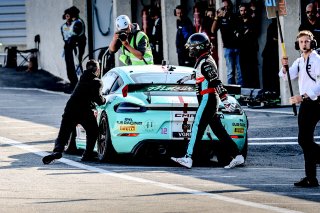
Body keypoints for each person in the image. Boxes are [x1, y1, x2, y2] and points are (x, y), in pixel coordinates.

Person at [171, 33, 245, 169]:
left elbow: (215, 80)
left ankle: (188, 157)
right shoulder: (204, 60)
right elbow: (200, 74)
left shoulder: (205, 62)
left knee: (197, 126)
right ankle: (238, 156)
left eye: (192, 47)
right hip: (210, 99)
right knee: (219, 130)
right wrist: (187, 78)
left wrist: (225, 98)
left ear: (198, 47)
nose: (190, 49)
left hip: (208, 99)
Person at [42, 59, 106, 164]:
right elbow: (99, 100)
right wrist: (104, 100)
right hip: (84, 110)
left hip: (70, 108)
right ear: (97, 70)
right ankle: (88, 154)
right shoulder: (97, 81)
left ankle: (57, 151)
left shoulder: (82, 78)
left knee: (63, 134)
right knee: (93, 131)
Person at [279, 30, 320, 187]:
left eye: (307, 41)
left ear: (312, 42)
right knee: (305, 140)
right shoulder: (299, 61)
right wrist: (284, 67)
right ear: (298, 44)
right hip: (306, 103)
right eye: (301, 41)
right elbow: (287, 76)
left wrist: (301, 97)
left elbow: (319, 85)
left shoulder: (317, 60)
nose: (304, 44)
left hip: (315, 102)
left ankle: (311, 175)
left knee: (304, 140)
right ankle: (311, 178)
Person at [211, 0, 243, 86]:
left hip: (237, 46)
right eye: (224, 7)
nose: (225, 9)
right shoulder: (220, 18)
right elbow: (213, 30)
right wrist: (216, 17)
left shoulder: (235, 16)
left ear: (230, 7)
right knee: (230, 71)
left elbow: (235, 28)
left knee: (240, 71)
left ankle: (240, 92)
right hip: (227, 47)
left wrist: (227, 17)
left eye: (227, 7)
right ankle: (231, 92)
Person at [238, 3, 259, 88]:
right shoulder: (238, 21)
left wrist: (243, 34)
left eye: (245, 10)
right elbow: (238, 34)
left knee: (252, 70)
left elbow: (254, 32)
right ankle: (246, 89)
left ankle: (253, 88)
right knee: (243, 71)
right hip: (242, 49)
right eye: (241, 11)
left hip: (251, 49)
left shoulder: (252, 20)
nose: (243, 12)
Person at [61, 8, 78, 92]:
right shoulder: (64, 26)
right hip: (67, 46)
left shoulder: (74, 25)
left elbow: (75, 35)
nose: (67, 17)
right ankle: (71, 81)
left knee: (74, 64)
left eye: (69, 16)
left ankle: (75, 82)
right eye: (66, 16)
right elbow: (64, 36)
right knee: (68, 64)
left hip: (73, 46)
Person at [68, 6, 87, 74]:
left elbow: (75, 34)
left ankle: (80, 76)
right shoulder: (75, 22)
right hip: (77, 44)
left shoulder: (78, 22)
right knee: (77, 61)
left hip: (79, 44)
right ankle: (79, 75)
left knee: (78, 61)